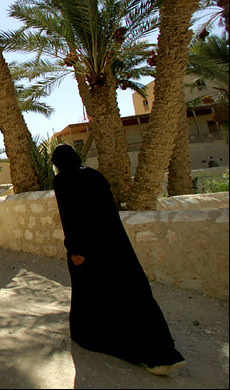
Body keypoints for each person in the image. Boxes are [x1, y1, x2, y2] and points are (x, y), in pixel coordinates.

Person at [51, 143, 185, 376]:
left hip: (87, 251)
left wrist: (73, 249)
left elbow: (70, 218)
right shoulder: (95, 175)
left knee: (95, 293)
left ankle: (97, 336)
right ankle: (164, 351)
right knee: (133, 293)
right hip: (115, 246)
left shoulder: (63, 181)